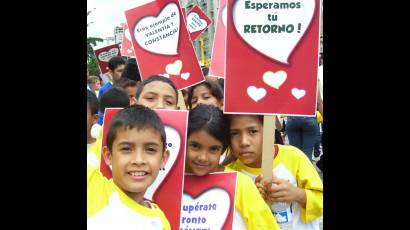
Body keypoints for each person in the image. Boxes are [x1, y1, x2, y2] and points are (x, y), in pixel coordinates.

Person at [185, 105, 280, 229]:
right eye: (195, 146)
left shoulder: (240, 184)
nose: (203, 157)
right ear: (183, 141)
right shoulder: (171, 181)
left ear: (223, 149)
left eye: (213, 149)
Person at [226, 114, 323, 229]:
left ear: (268, 131)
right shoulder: (230, 174)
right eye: (235, 133)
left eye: (252, 131)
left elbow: (320, 200)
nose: (244, 142)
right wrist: (253, 200)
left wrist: (298, 194)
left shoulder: (294, 157)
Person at [87, 105, 170, 229]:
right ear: (108, 155)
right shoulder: (92, 187)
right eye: (126, 149)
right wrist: (101, 135)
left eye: (150, 149)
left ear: (163, 159)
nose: (138, 160)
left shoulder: (160, 222)